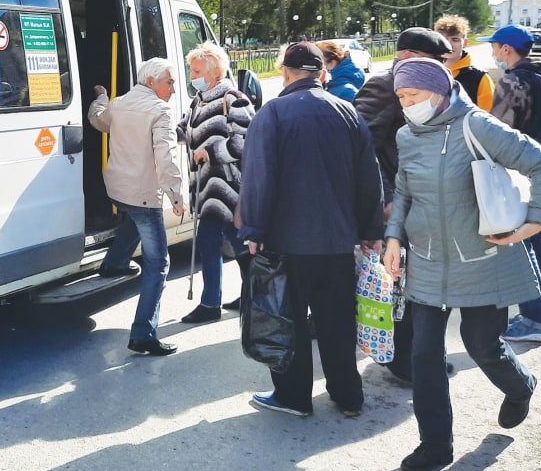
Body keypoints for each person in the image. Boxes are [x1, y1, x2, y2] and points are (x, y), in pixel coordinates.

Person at [382, 58, 541, 471]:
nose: (406, 104)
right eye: (401, 97)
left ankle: (521, 386)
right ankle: (435, 445)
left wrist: (534, 221)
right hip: (426, 261)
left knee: (482, 344)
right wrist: (394, 236)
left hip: (482, 258)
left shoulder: (475, 125)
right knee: (423, 354)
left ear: (438, 91)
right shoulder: (407, 136)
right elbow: (404, 191)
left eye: (412, 95)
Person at [238, 42, 385, 417]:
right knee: (336, 320)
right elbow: (369, 177)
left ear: (285, 72)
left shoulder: (272, 113)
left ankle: (293, 396)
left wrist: (252, 229)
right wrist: (371, 228)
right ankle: (348, 395)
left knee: (288, 320)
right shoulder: (348, 112)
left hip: (286, 242)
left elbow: (257, 178)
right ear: (322, 74)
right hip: (338, 241)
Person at [351, 27, 453, 382]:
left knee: (416, 282)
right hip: (397, 203)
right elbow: (361, 147)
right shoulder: (384, 84)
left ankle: (413, 357)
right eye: (437, 61)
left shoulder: (425, 85)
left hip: (423, 198)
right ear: (409, 56)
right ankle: (404, 361)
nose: (442, 68)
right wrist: (386, 198)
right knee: (402, 284)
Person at [89, 58, 188, 356]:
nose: (173, 88)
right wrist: (176, 196)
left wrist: (101, 98)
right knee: (159, 264)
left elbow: (98, 120)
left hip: (118, 189)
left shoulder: (118, 104)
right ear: (150, 82)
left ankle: (114, 264)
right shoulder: (160, 110)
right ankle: (143, 334)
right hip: (143, 194)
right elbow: (166, 157)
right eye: (169, 82)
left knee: (134, 221)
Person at [488, 24, 541, 344]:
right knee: (537, 240)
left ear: (507, 49)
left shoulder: (513, 80)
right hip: (540, 165)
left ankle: (536, 318)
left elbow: (497, 130)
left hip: (518, 169)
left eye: (495, 47)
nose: (493, 53)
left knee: (522, 244)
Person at [176, 42, 254, 323]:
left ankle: (226, 301)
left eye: (195, 70)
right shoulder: (199, 99)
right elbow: (185, 130)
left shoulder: (233, 98)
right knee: (221, 243)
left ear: (213, 71)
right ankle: (235, 298)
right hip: (206, 186)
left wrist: (211, 152)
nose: (192, 74)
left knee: (232, 243)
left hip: (228, 187)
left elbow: (246, 141)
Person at [435, 14, 493, 109]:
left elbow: (489, 118)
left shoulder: (479, 78)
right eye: (443, 39)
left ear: (465, 43)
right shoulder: (429, 73)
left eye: (455, 40)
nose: (449, 44)